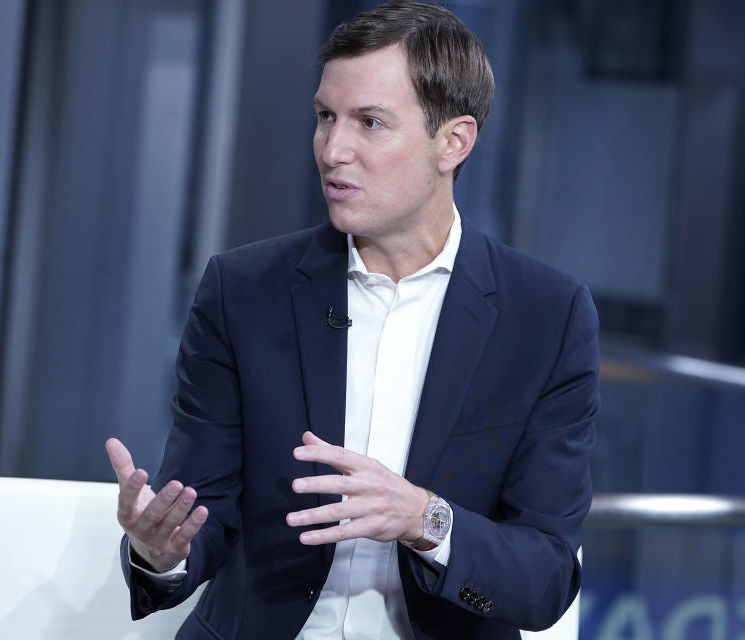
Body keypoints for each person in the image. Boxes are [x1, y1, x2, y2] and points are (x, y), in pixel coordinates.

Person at [106, 2, 599, 638]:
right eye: (325, 117)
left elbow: (545, 580)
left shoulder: (546, 317)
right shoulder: (244, 290)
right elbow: (206, 511)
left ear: (454, 141)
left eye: (370, 123)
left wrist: (426, 518)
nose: (333, 149)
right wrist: (160, 552)